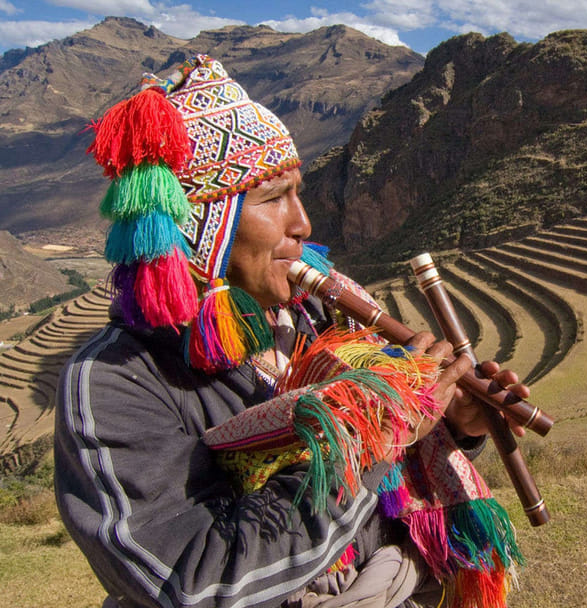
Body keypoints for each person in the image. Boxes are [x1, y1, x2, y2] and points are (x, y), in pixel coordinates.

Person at [54, 55, 529, 608]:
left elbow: (387, 489)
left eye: (299, 193)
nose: (302, 224)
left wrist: (453, 425)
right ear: (205, 227)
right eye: (273, 198)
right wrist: (378, 430)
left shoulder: (319, 318)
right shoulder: (114, 383)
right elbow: (191, 581)